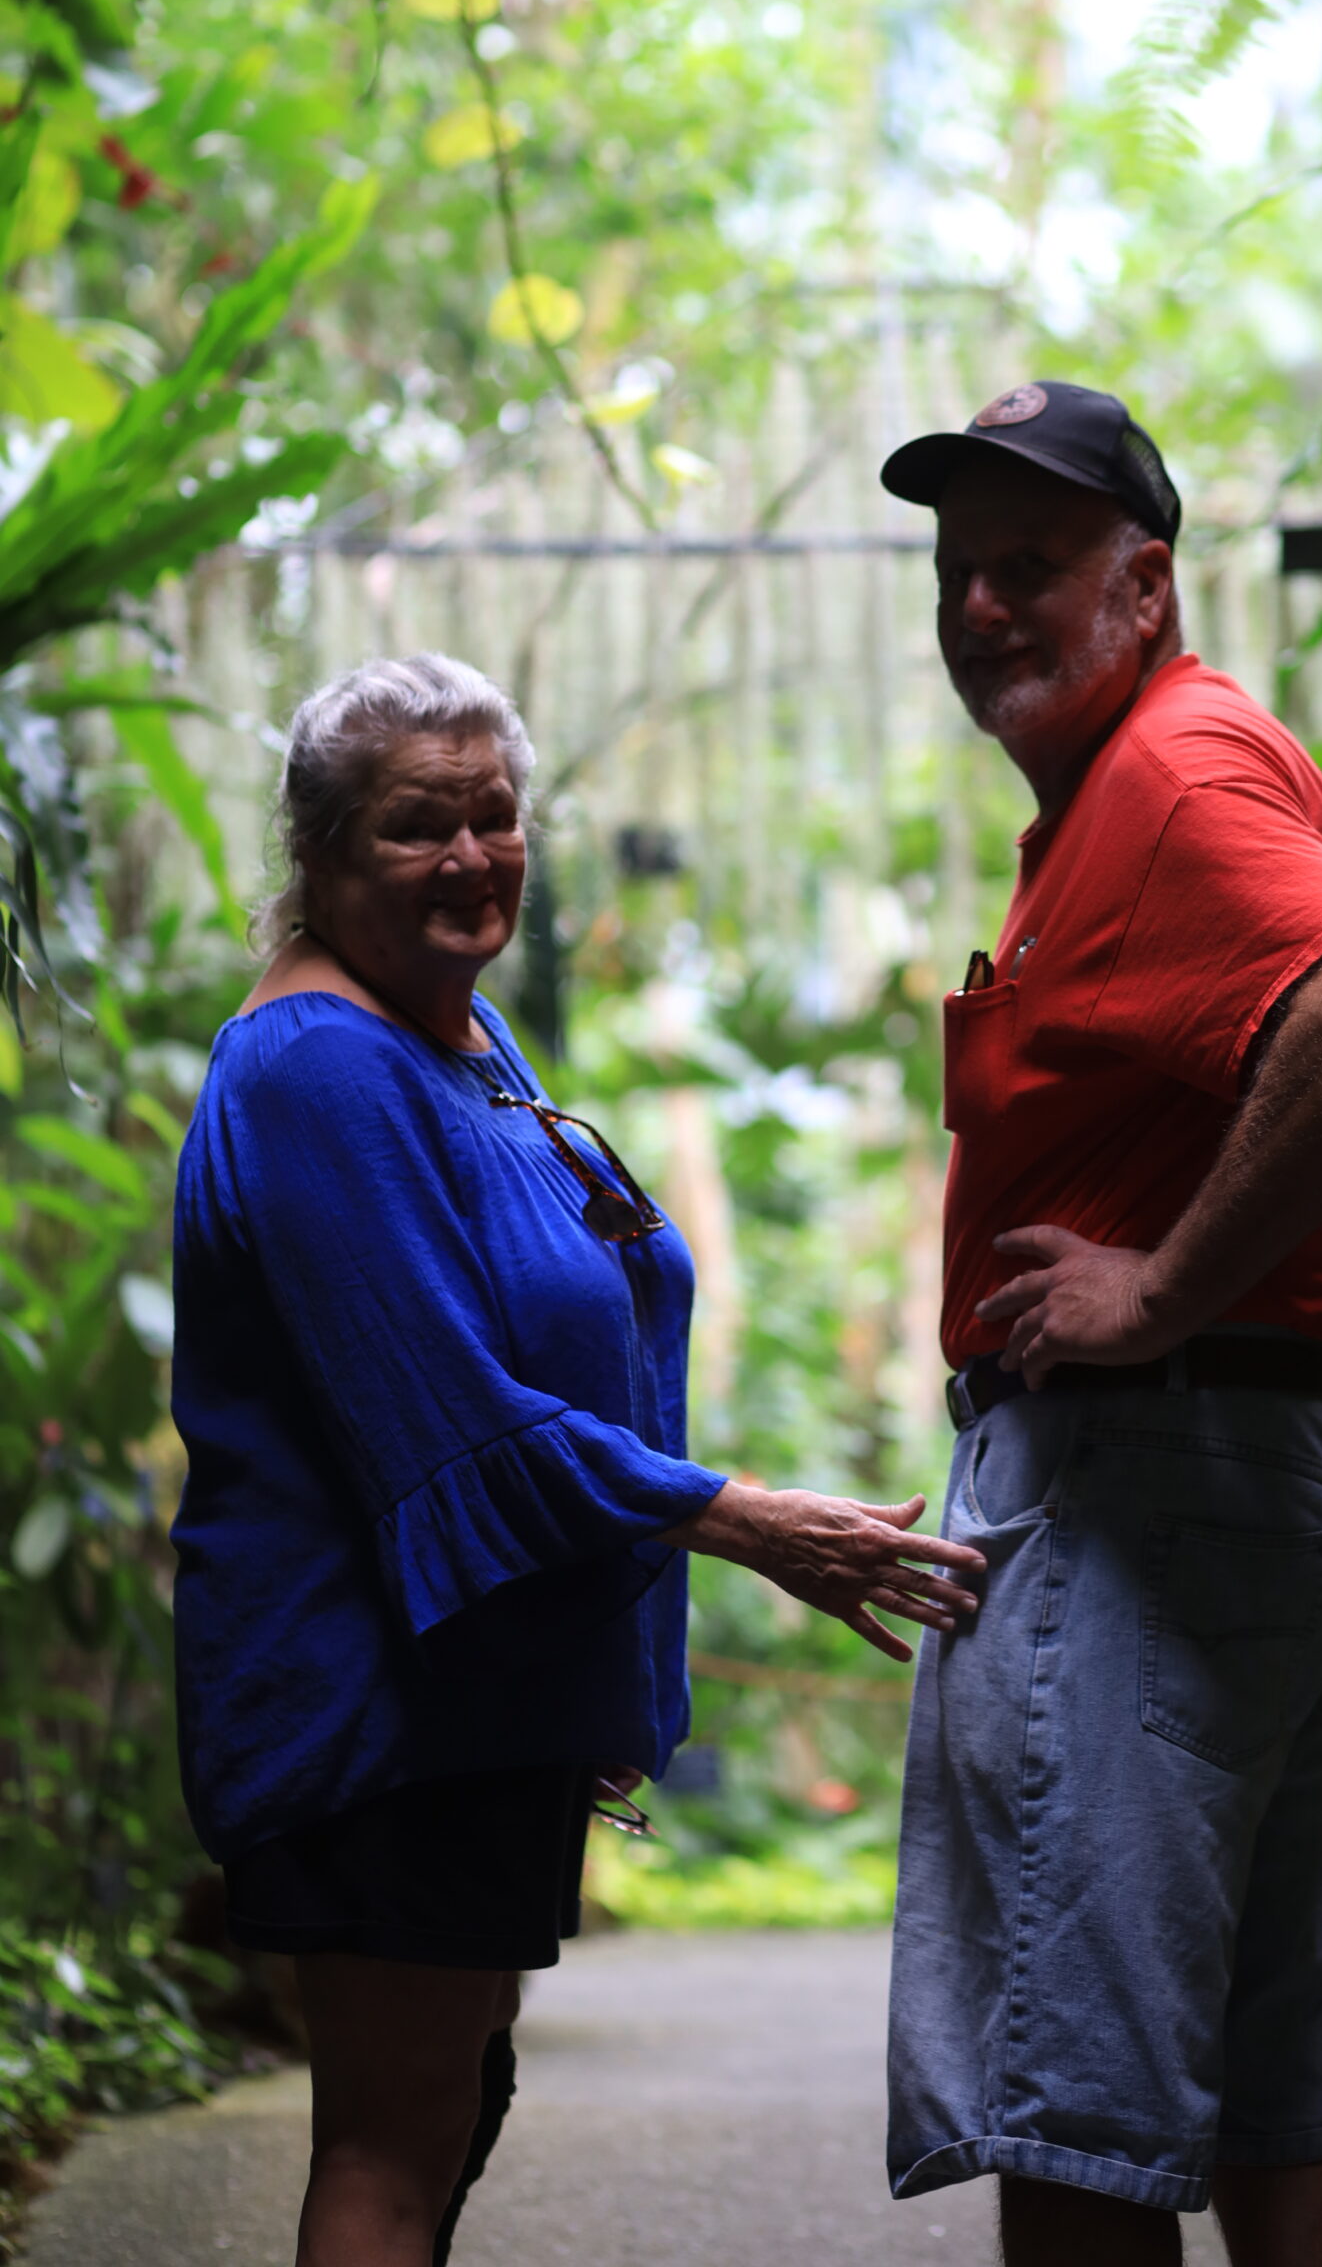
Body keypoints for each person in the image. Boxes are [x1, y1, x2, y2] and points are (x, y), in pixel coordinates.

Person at [169, 653, 983, 2267]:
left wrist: (594, 1675)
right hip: (376, 1710)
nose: (475, 858)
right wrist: (751, 1525)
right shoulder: (319, 1066)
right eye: (421, 827)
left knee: (447, 2119)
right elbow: (456, 1423)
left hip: (481, 1705)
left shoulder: (460, 1044)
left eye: (498, 816)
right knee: (393, 2150)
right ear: (322, 856)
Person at [878, 384, 1322, 2267]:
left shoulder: (1170, 772)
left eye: (1034, 568)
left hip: (1153, 1497)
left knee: (1085, 2141)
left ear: (1146, 584)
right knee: (1271, 2116)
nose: (984, 607)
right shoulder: (1165, 770)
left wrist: (1165, 1292)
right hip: (1243, 1476)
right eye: (961, 572)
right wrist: (1310, 1251)